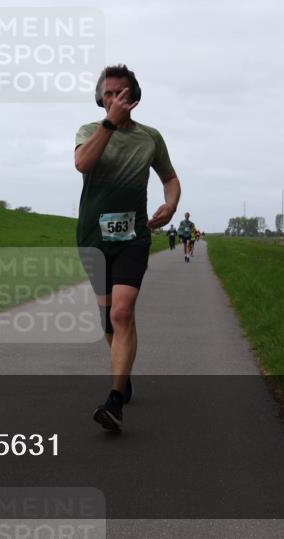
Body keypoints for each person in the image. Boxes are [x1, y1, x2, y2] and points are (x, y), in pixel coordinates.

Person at [75, 64, 180, 433]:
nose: (115, 98)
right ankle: (124, 373)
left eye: (121, 92)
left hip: (133, 236)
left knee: (122, 312)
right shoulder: (90, 130)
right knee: (107, 319)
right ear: (100, 99)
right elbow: (82, 163)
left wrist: (171, 205)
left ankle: (115, 399)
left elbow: (169, 178)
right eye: (108, 93)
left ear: (133, 96)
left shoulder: (150, 138)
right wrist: (109, 124)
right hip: (93, 238)